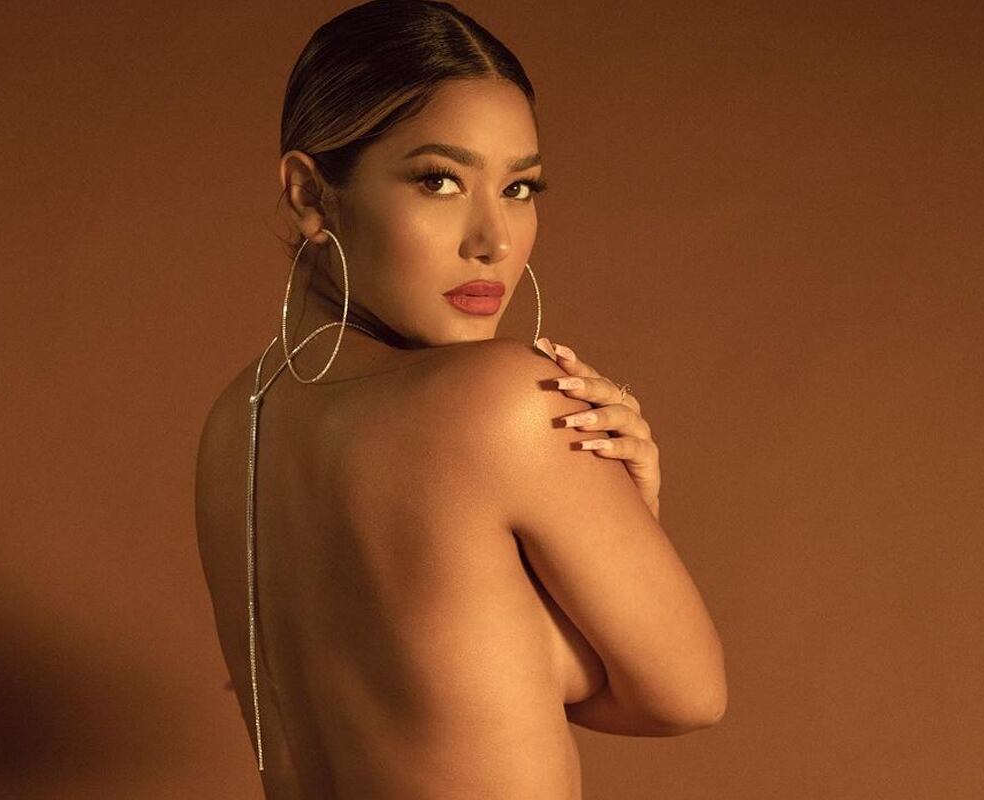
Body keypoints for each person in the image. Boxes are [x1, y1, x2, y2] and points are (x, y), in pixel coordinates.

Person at [195, 1, 726, 796]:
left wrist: (601, 520)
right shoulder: (504, 398)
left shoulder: (237, 423)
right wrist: (621, 515)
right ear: (310, 194)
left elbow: (414, 678)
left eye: (519, 187)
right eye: (438, 180)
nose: (495, 240)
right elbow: (685, 695)